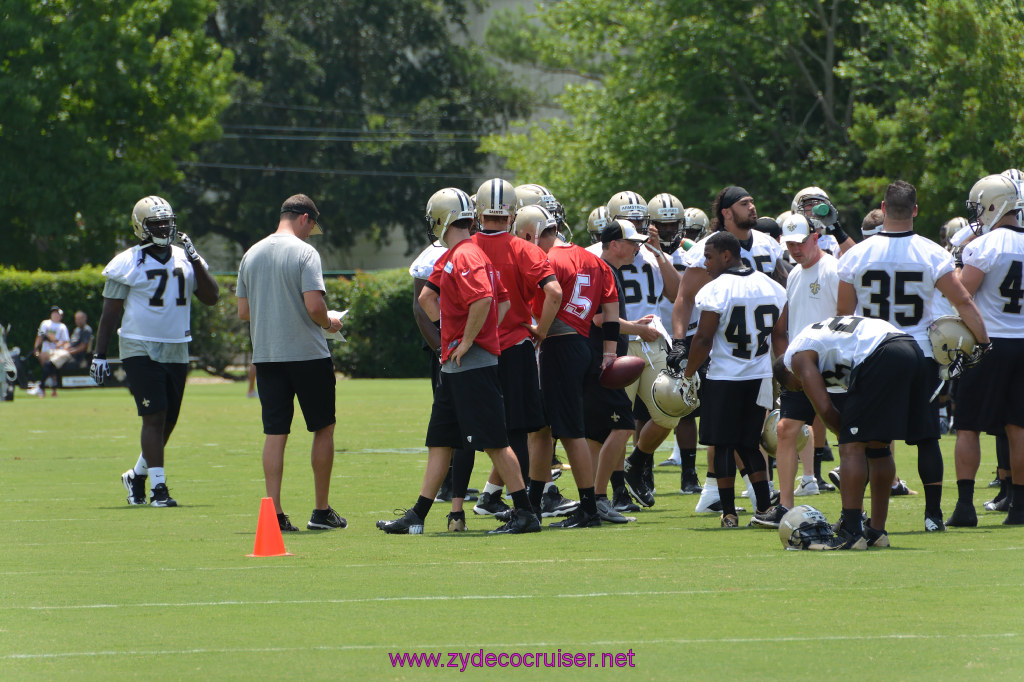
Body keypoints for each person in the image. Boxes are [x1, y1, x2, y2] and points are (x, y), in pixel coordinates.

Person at [377, 187, 540, 535]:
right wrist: (454, 333)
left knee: (496, 441)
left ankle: (525, 513)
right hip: (456, 364)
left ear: (442, 218)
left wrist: (468, 339)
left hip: (472, 364)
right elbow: (429, 297)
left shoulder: (465, 254)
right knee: (440, 440)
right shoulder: (460, 253)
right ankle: (418, 515)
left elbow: (483, 300)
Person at [836, 180, 990, 532]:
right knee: (925, 437)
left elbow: (844, 314)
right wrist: (983, 340)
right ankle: (933, 515)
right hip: (920, 351)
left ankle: (860, 518)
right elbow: (963, 300)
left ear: (883, 207)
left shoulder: (856, 253)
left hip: (872, 353)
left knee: (867, 440)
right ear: (915, 210)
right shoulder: (931, 253)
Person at [92, 195, 219, 507]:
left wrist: (196, 259)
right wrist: (99, 354)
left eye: (166, 221)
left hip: (177, 345)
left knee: (169, 418)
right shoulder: (128, 260)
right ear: (141, 227)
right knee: (154, 414)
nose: (163, 227)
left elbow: (211, 296)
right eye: (156, 222)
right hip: (138, 344)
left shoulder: (184, 256)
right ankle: (158, 490)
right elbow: (109, 313)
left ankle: (136, 475)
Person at [780, 315, 948, 549]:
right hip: (911, 348)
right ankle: (876, 531)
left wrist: (850, 438)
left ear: (789, 373)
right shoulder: (820, 342)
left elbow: (826, 409)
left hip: (881, 353)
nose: (802, 389)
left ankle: (851, 531)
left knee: (853, 447)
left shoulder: (796, 357)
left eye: (798, 386)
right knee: (878, 445)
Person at [667, 186, 784, 513]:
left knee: (747, 433)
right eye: (745, 203)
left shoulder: (765, 244)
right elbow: (684, 299)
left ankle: (729, 498)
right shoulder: (709, 248)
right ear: (727, 212)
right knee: (726, 434)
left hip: (759, 350)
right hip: (722, 349)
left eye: (752, 200)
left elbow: (782, 291)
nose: (753, 206)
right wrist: (680, 343)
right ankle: (742, 496)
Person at [236, 194, 346, 532]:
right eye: (312, 226)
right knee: (323, 427)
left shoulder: (251, 254)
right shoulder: (305, 252)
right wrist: (330, 323)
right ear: (304, 218)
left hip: (267, 356)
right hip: (308, 355)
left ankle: (274, 513)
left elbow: (243, 311)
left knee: (275, 433)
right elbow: (315, 307)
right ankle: (321, 511)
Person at [947, 174, 1024, 526]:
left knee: (967, 426)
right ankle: (1020, 506)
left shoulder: (986, 245)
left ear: (993, 205)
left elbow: (961, 293)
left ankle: (965, 506)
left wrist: (959, 258)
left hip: (988, 342)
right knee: (1018, 427)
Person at [605, 191, 681, 509]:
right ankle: (618, 492)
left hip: (653, 341)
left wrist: (660, 253)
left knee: (674, 406)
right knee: (618, 423)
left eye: (640, 220)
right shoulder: (600, 254)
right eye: (630, 221)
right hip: (620, 341)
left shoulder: (653, 254)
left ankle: (637, 463)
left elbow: (677, 292)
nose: (637, 227)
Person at [770, 214, 842, 510]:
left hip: (832, 364)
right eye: (790, 244)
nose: (795, 249)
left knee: (848, 434)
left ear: (815, 237)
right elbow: (790, 324)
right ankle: (785, 507)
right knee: (786, 428)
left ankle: (856, 511)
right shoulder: (796, 273)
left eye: (800, 242)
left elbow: (845, 319)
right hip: (801, 367)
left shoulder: (832, 270)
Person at [409, 236, 478, 531]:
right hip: (455, 351)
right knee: (460, 429)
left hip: (466, 349)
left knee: (468, 430)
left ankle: (460, 501)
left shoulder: (468, 252)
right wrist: (444, 346)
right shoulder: (437, 255)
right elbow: (421, 306)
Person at [32, 306, 69, 396]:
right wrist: (36, 349)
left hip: (56, 352)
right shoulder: (45, 324)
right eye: (54, 313)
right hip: (45, 351)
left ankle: (46, 389)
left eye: (57, 313)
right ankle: (46, 390)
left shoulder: (62, 326)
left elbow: (65, 341)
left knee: (50, 370)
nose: (55, 315)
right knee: (47, 370)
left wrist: (58, 343)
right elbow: (40, 337)